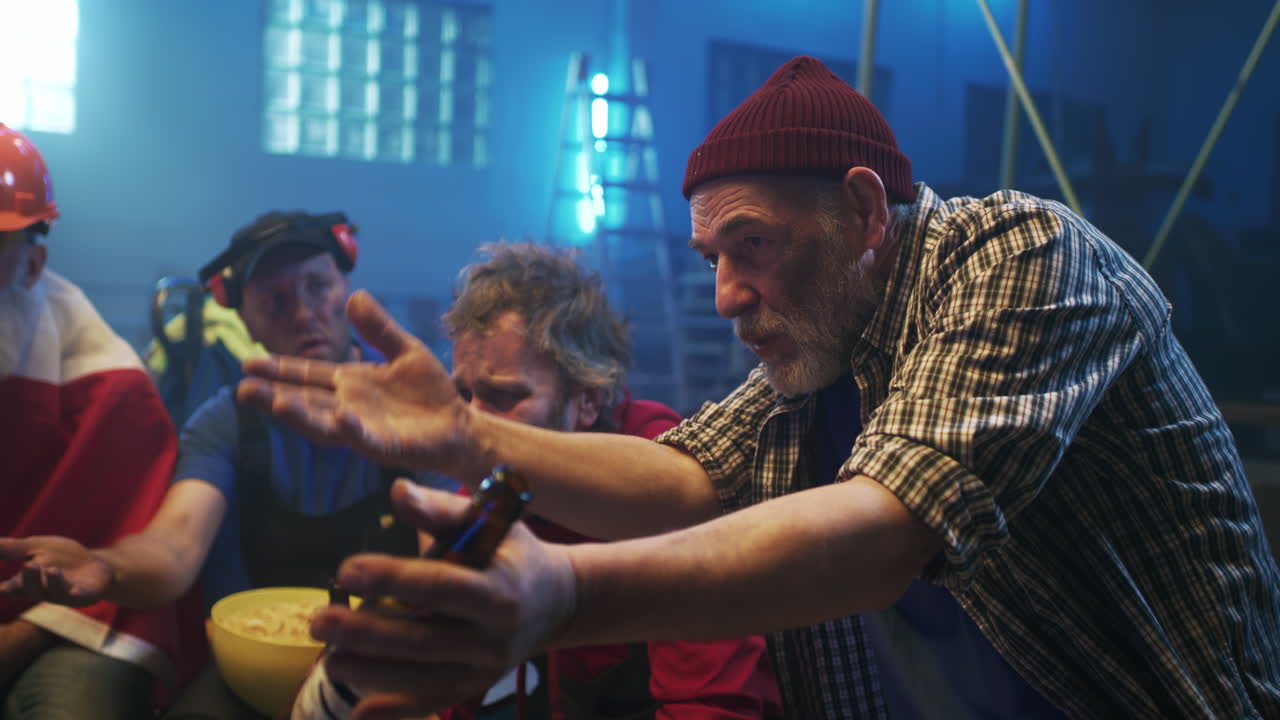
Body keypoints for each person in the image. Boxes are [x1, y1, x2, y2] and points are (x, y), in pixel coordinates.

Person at [31, 56, 1280, 718]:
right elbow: (688, 475)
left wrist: (559, 594)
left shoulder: (1022, 255)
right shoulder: (814, 359)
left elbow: (894, 524)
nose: (725, 295)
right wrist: (464, 433)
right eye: (707, 261)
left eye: (749, 247)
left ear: (858, 213)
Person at [1, 210, 440, 719]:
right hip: (257, 663)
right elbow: (174, 545)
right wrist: (105, 565)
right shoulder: (226, 421)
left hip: (389, 662)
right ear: (244, 318)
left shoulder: (413, 410)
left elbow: (448, 553)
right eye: (275, 299)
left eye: (317, 286)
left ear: (346, 287)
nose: (302, 313)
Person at [436, 242, 782, 719]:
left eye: (502, 396)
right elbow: (451, 688)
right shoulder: (489, 495)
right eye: (463, 394)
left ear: (588, 402)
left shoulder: (667, 485)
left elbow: (714, 706)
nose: (471, 422)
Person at [0, 123, 195, 718]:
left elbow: (117, 562)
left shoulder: (109, 386)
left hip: (68, 624)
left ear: (33, 263)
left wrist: (11, 641)